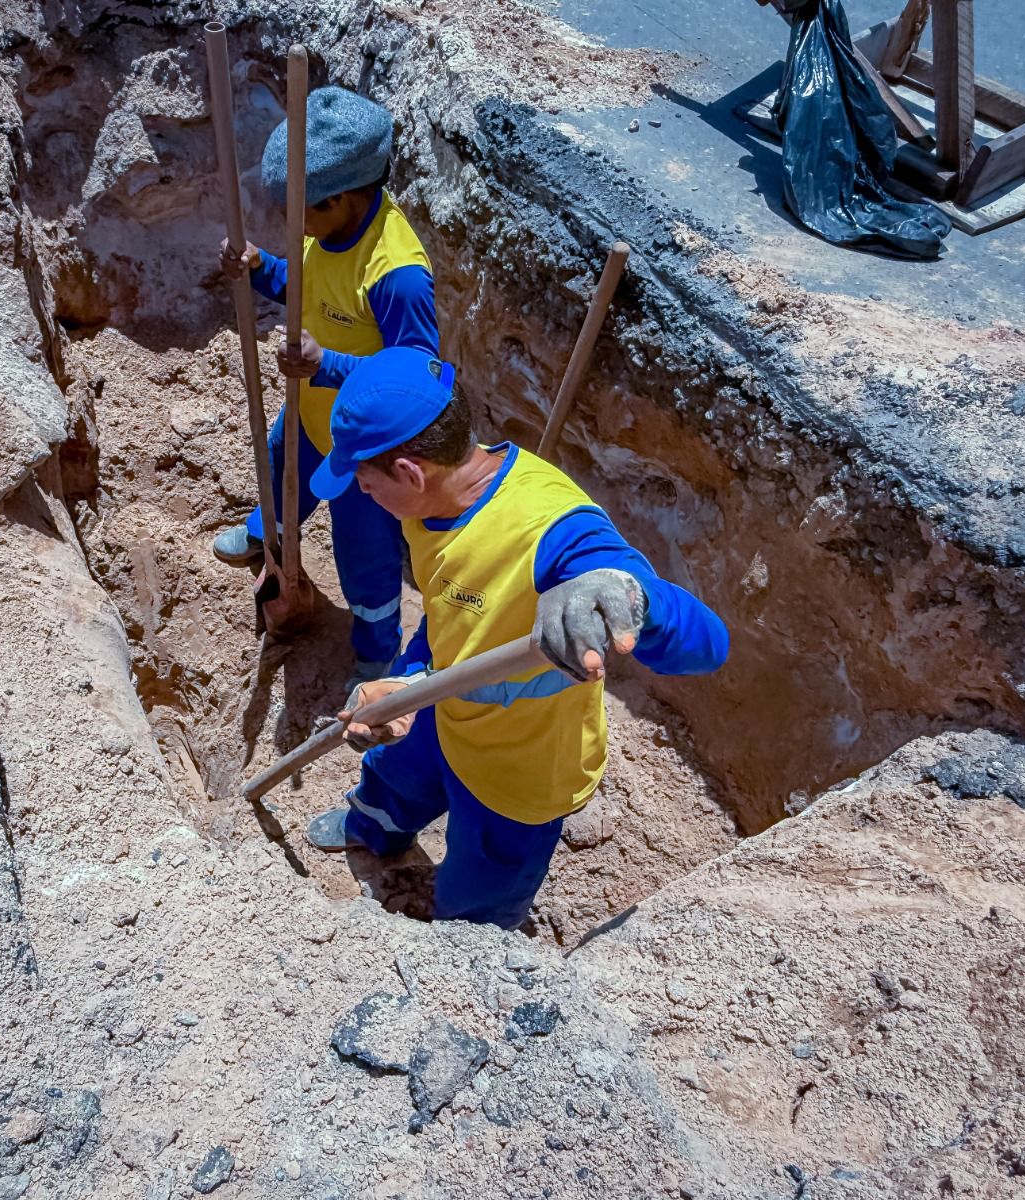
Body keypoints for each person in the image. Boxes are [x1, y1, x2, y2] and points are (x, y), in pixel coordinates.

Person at [301, 347, 730, 930]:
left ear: (409, 472)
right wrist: (408, 680)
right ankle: (372, 831)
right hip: (443, 704)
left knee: (479, 891)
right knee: (393, 778)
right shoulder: (431, 502)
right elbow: (446, 611)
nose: (364, 495)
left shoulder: (553, 533)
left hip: (520, 766)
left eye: (366, 483)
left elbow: (709, 644)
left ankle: (462, 951)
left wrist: (631, 596)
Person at [214, 86, 437, 687]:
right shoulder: (328, 231)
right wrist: (261, 268)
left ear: (341, 198)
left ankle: (377, 649)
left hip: (365, 448)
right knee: (279, 477)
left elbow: (418, 378)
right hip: (312, 415)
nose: (294, 226)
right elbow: (308, 285)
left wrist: (328, 364)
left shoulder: (397, 275)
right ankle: (265, 538)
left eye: (301, 213)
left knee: (364, 554)